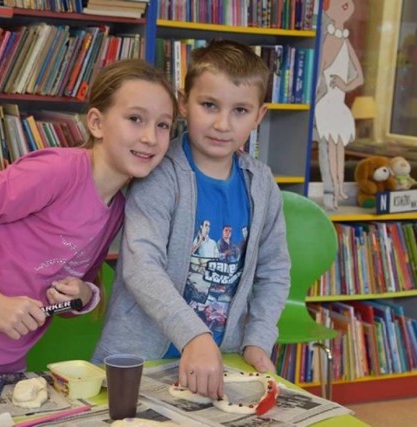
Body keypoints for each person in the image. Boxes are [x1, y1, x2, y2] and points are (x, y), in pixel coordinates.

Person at [0, 59, 177, 380]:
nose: (150, 137)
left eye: (163, 125)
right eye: (135, 119)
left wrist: (81, 295)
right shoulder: (59, 170)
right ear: (96, 123)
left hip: (4, 365)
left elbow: (81, 281)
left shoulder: (120, 208)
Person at [93, 40, 291, 401]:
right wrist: (194, 336)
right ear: (183, 103)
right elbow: (141, 267)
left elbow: (274, 270)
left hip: (220, 360)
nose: (222, 124)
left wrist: (258, 338)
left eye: (240, 110)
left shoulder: (261, 184)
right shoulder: (159, 173)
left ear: (260, 116)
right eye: (209, 105)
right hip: (143, 361)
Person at [314, 0, 364, 209]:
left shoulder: (344, 41)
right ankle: (331, 190)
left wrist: (345, 85)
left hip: (338, 103)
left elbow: (359, 77)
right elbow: (319, 72)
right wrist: (321, 92)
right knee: (331, 147)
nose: (345, 3)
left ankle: (338, 187)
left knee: (339, 147)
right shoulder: (329, 40)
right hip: (326, 103)